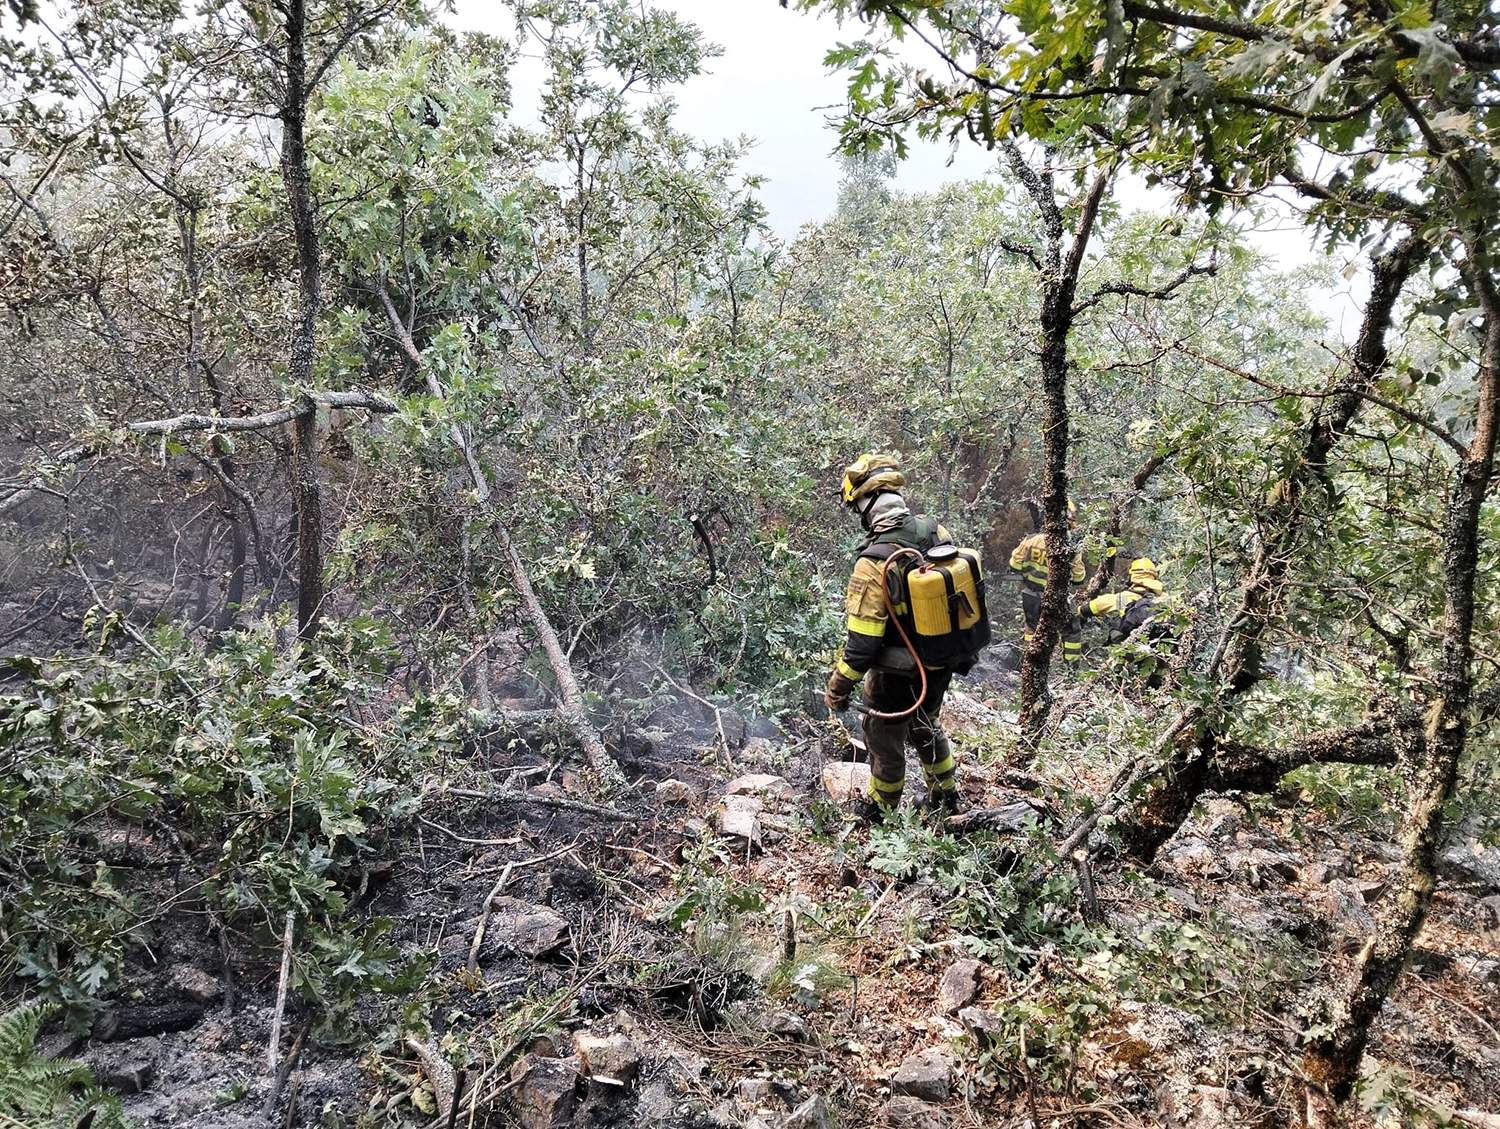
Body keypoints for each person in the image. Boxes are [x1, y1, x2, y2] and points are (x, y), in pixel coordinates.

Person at [823, 453, 961, 818]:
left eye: (857, 509)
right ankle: (945, 796)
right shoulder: (935, 531)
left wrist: (838, 687)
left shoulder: (873, 563)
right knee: (925, 724)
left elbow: (862, 646)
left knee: (883, 739)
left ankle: (881, 812)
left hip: (897, 671)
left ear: (867, 505)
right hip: (941, 659)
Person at [1008, 501, 1084, 664]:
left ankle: (1028, 664)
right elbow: (1078, 578)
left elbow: (1014, 565)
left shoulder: (1031, 540)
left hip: (1031, 595)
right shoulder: (1071, 548)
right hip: (1057, 597)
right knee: (1071, 630)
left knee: (1031, 629)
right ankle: (1071, 669)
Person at [1078, 557, 1170, 685]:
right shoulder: (1167, 600)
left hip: (1129, 653)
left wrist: (1079, 616)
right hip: (1158, 655)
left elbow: (1086, 609)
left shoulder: (1120, 598)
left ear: (1132, 576)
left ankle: (1116, 682)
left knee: (1116, 635)